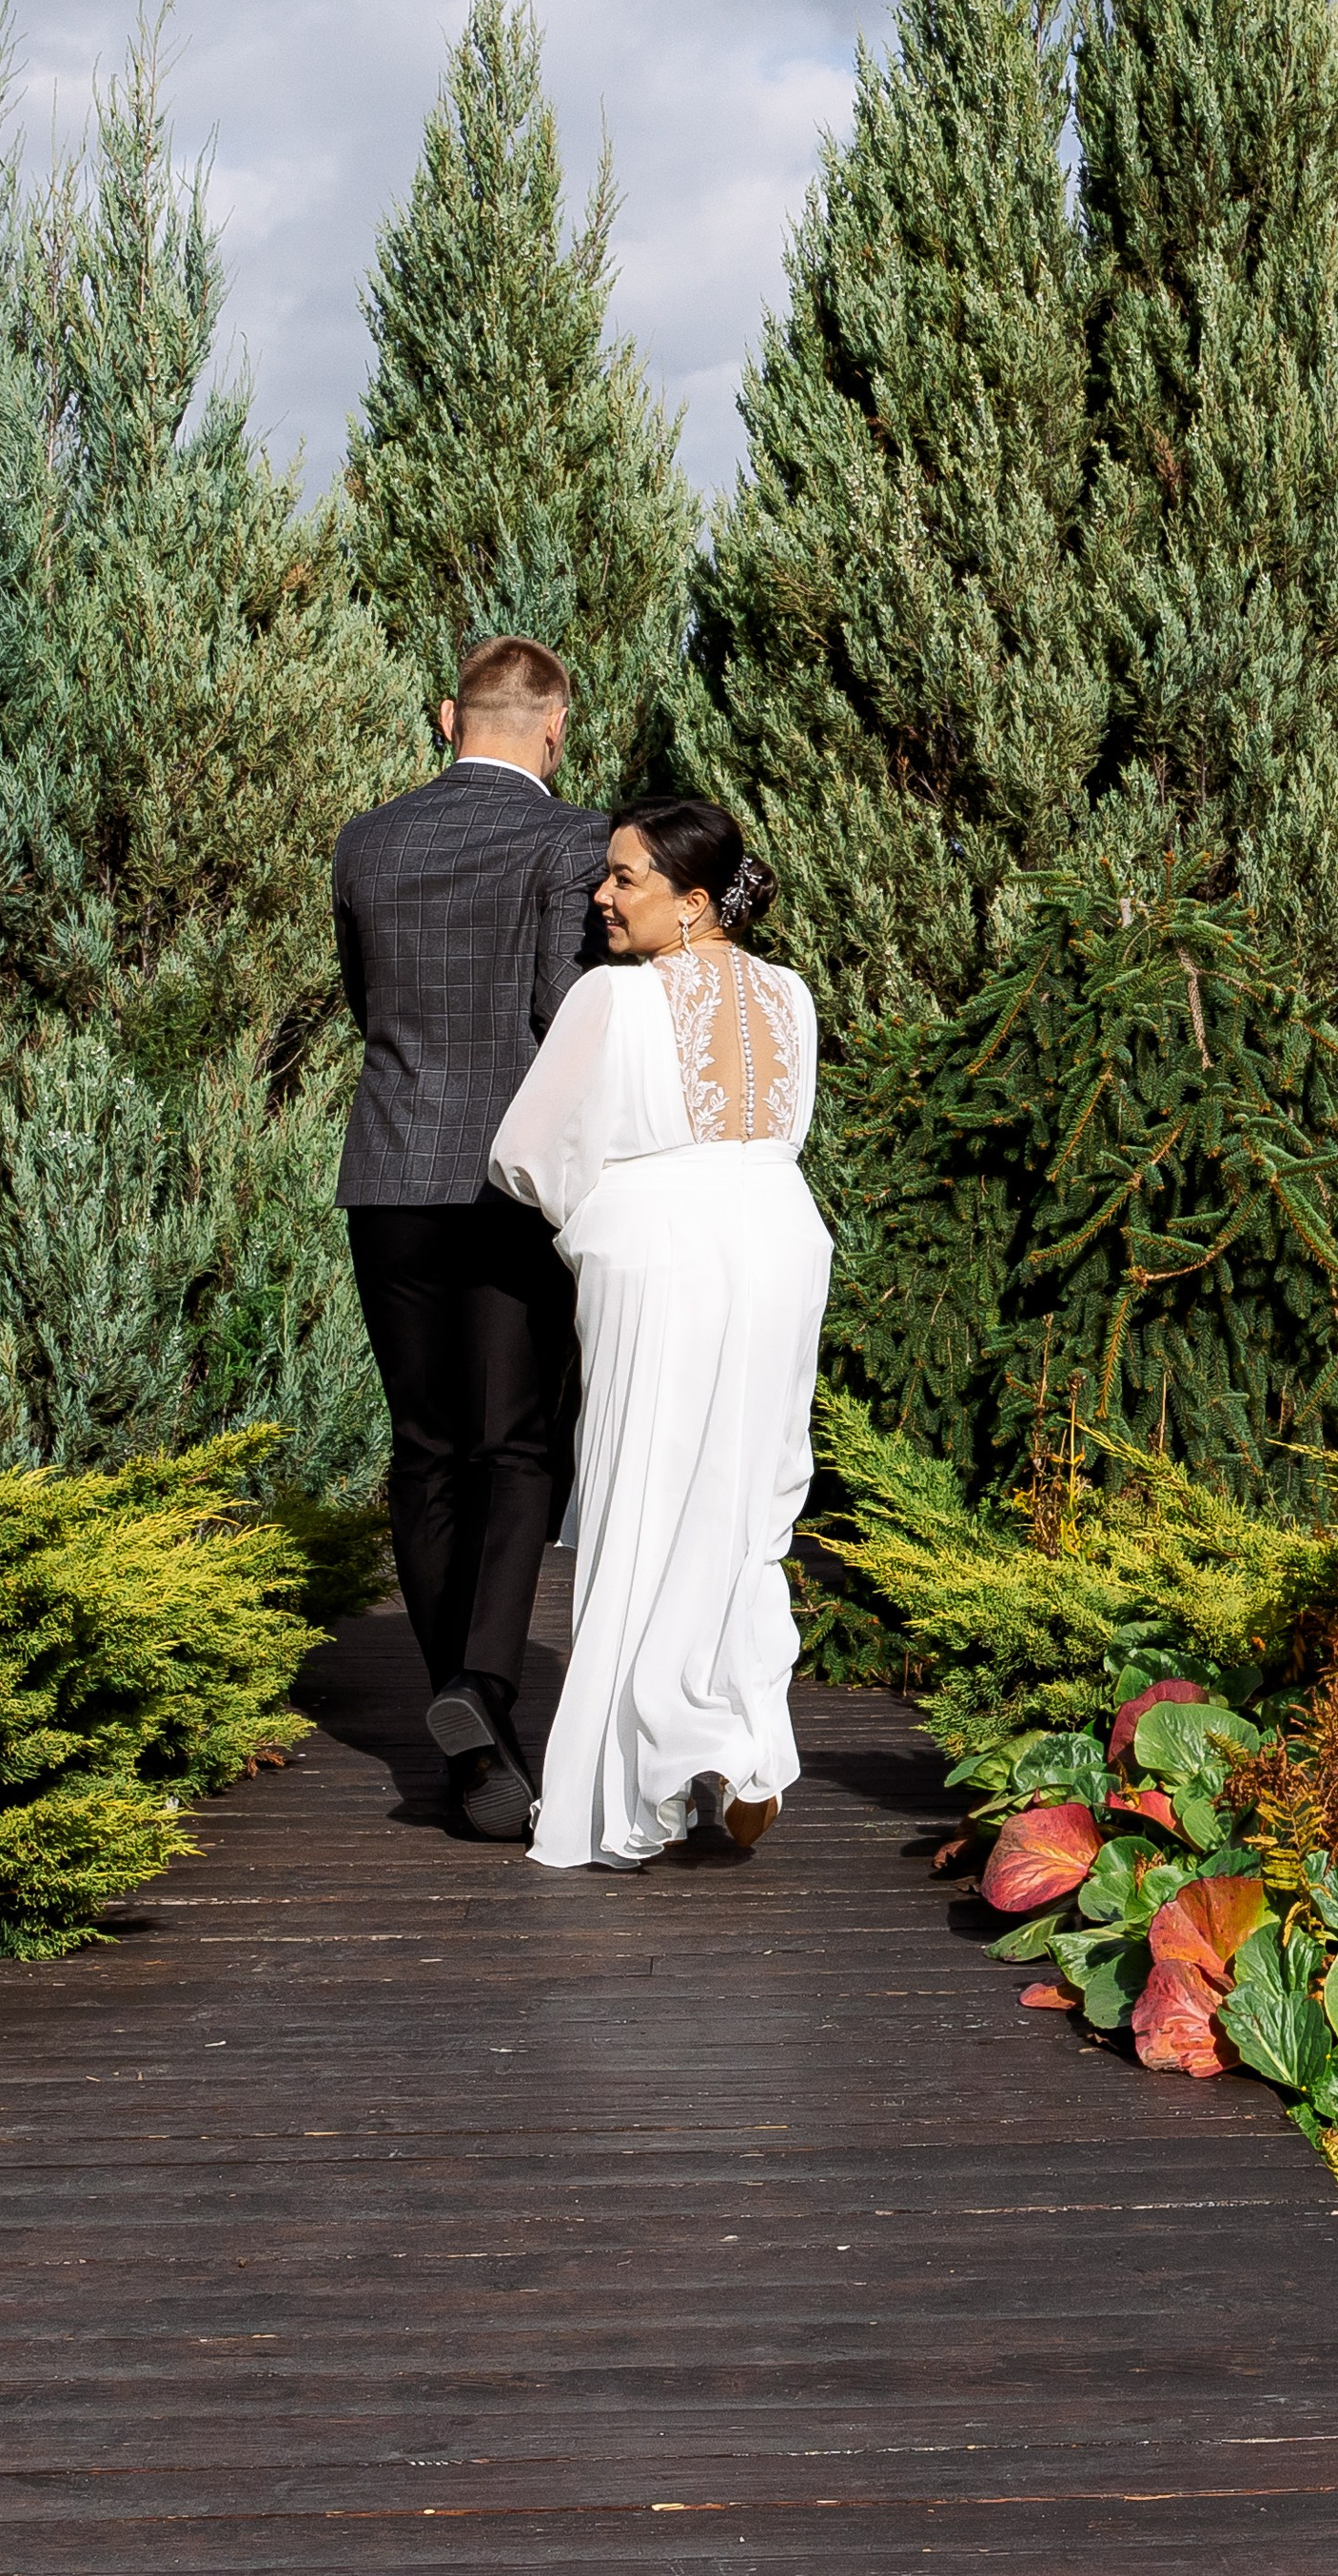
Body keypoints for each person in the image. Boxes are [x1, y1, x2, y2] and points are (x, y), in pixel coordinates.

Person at [487, 797, 831, 1873]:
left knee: (644, 1494)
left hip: (659, 1251)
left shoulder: (611, 998)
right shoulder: (790, 995)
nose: (601, 895)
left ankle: (649, 1768)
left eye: (623, 877)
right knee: (743, 1499)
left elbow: (530, 1156)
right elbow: (786, 1128)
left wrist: (598, 1217)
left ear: (690, 903)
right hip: (778, 1241)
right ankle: (734, 1745)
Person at [332, 635, 612, 1835]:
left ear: (448, 717)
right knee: (516, 1451)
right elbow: (571, 1014)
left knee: (425, 1447)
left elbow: (365, 1003)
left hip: (389, 1172)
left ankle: (467, 1751)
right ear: (555, 726)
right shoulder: (574, 840)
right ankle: (479, 1688)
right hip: (512, 1181)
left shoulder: (366, 840)